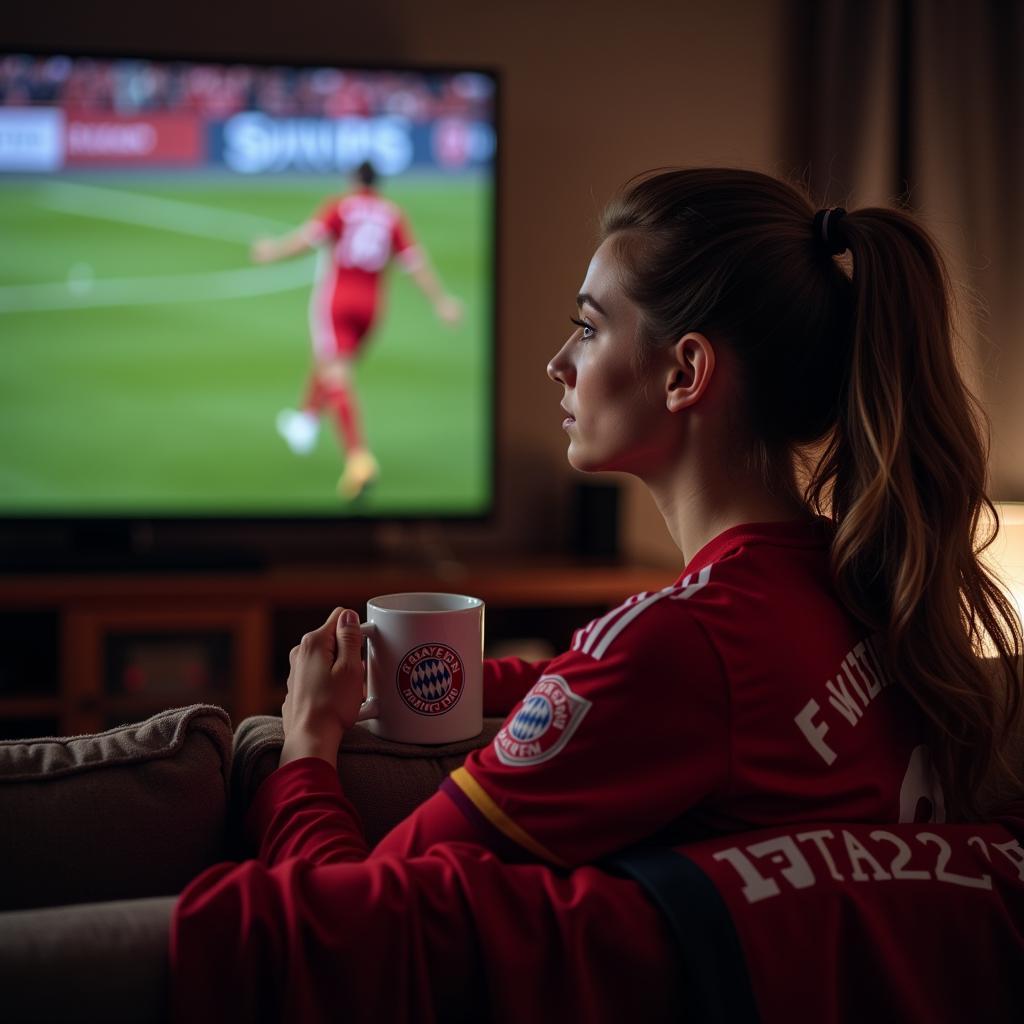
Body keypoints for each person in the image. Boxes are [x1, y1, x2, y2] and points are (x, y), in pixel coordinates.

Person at [174, 167, 1024, 1020]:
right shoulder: (859, 578)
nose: (557, 363)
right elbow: (621, 687)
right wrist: (466, 676)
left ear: (685, 372)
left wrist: (306, 745)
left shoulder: (683, 645)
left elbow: (358, 916)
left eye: (587, 328)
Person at [251, 159, 463, 499]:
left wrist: (271, 251)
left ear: (352, 180)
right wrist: (441, 301)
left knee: (336, 372)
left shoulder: (341, 207)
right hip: (371, 307)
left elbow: (307, 240)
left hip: (337, 300)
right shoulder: (391, 214)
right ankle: (305, 422)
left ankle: (358, 458)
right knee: (332, 363)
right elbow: (414, 263)